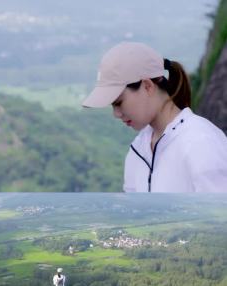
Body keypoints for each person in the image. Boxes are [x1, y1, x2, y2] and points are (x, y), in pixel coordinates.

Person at [82, 42, 227, 192]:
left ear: (147, 86)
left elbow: (219, 212)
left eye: (118, 102)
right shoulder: (138, 148)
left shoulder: (200, 142)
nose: (116, 114)